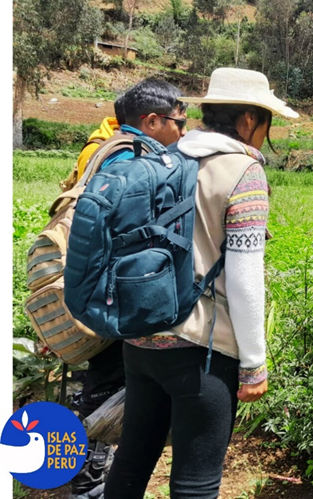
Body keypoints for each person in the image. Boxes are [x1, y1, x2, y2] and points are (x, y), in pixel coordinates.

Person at [105, 67, 296, 498]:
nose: (266, 134)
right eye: (267, 123)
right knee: (196, 481)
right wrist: (253, 363)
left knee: (133, 461)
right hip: (202, 351)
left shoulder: (160, 157)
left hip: (141, 337)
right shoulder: (243, 173)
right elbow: (246, 277)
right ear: (249, 120)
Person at [70, 78, 187, 499]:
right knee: (103, 384)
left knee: (102, 383)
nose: (183, 131)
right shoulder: (127, 156)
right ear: (152, 121)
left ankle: (92, 479)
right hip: (113, 291)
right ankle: (88, 485)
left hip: (97, 285)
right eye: (178, 122)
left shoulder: (104, 146)